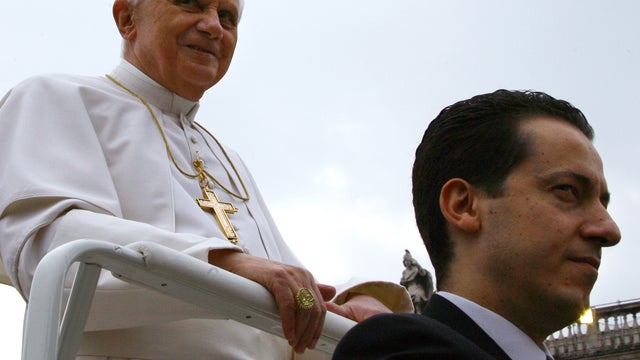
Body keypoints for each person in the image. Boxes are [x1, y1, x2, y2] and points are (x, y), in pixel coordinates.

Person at [0, 0, 412, 358]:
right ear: (127, 18)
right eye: (191, 4)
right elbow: (47, 253)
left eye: (228, 17)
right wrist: (226, 262)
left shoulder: (229, 160)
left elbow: (288, 292)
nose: (214, 26)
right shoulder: (56, 98)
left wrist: (351, 306)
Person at [333, 89, 621, 359]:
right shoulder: (401, 349)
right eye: (567, 190)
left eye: (602, 204)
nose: (609, 230)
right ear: (464, 206)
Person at [400, 249, 433, 314]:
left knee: (417, 298)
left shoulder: (416, 269)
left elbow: (423, 273)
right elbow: (402, 282)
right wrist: (403, 282)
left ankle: (419, 313)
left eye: (408, 261)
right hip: (409, 289)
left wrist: (418, 265)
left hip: (417, 288)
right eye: (406, 261)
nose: (407, 262)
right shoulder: (404, 272)